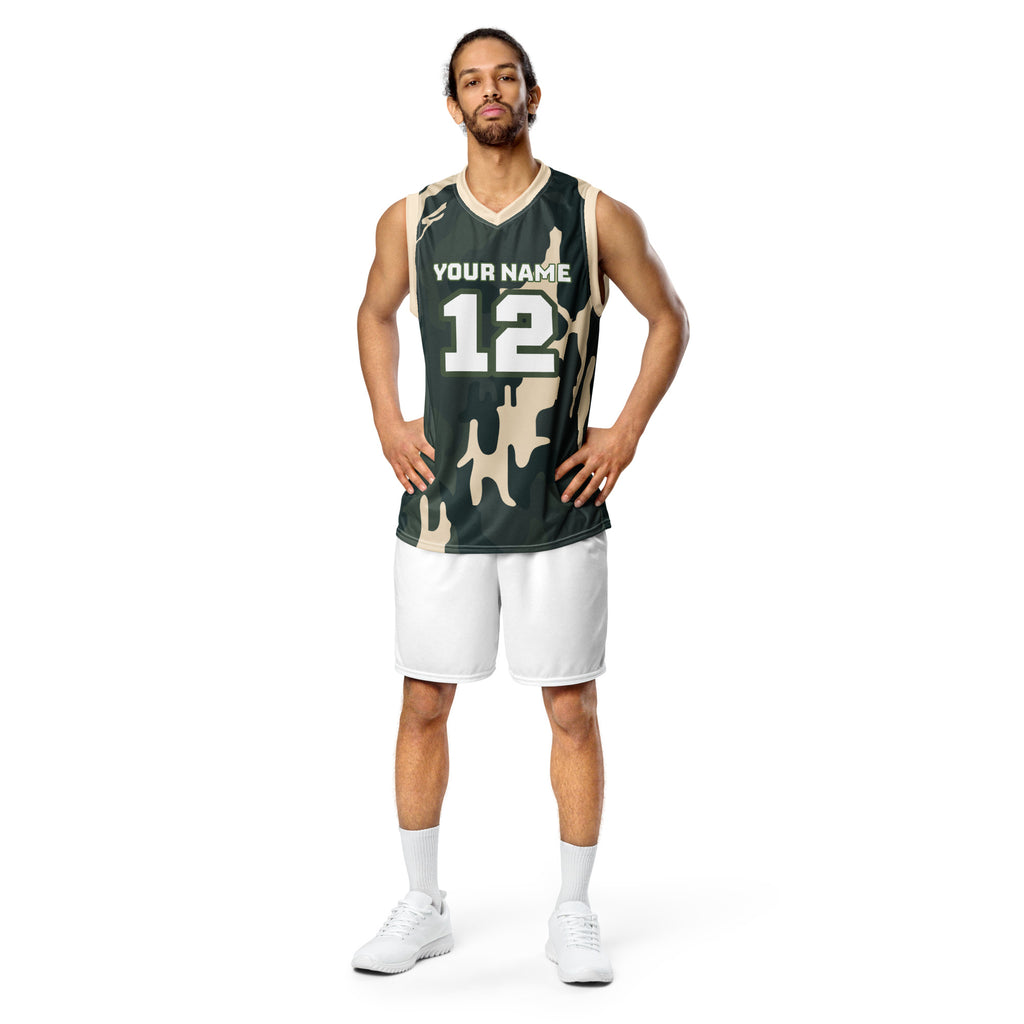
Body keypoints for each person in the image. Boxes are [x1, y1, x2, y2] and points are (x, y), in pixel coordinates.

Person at [351, 27, 688, 984]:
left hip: (556, 507)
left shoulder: (592, 213)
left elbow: (669, 318)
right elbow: (374, 312)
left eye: (506, 77)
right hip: (443, 508)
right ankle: (424, 905)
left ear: (533, 96)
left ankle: (573, 910)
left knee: (571, 707)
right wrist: (386, 419)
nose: (490, 91)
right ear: (453, 105)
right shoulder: (411, 219)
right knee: (423, 701)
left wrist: (624, 431)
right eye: (472, 81)